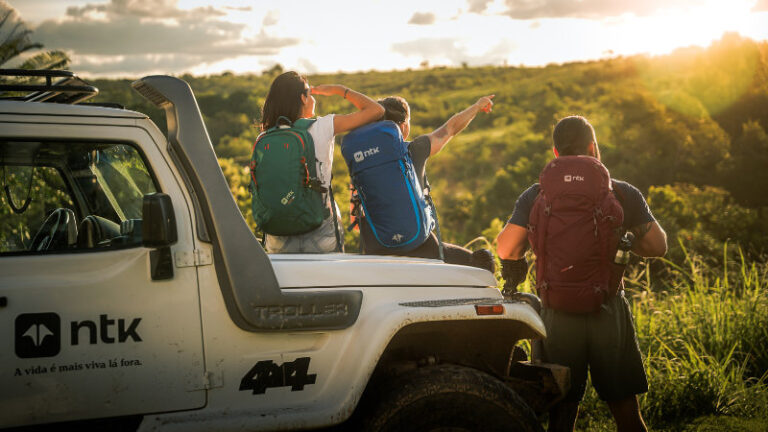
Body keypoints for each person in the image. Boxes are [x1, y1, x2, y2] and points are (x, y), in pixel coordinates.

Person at [495, 116, 667, 432]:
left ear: (555, 152)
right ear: (593, 147)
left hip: (556, 313)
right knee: (627, 413)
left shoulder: (536, 194)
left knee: (561, 413)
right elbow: (658, 245)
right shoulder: (622, 192)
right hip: (608, 309)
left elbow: (506, 249)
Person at [358, 95, 496, 271]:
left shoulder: (360, 161)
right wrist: (477, 106)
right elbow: (450, 128)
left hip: (374, 251)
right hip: (420, 248)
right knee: (481, 262)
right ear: (404, 126)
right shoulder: (415, 149)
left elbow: (356, 218)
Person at [260, 71, 384, 253]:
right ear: (303, 98)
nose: (314, 99)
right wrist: (340, 90)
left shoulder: (264, 137)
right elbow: (377, 110)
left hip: (278, 237)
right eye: (310, 94)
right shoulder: (323, 126)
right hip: (320, 233)